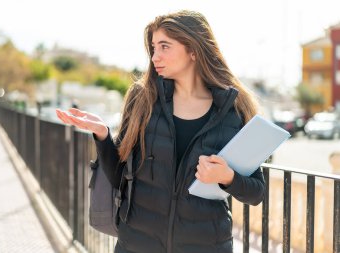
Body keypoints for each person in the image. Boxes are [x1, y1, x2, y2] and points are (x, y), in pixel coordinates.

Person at [56, 10, 265, 253]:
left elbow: (256, 192)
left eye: (165, 46)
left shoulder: (232, 109)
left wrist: (227, 177)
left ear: (194, 49)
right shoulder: (143, 99)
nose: (155, 56)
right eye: (153, 48)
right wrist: (102, 135)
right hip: (137, 244)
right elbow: (118, 176)